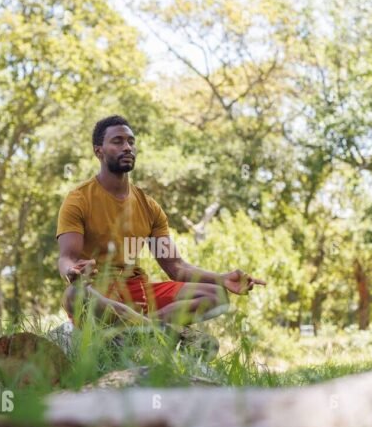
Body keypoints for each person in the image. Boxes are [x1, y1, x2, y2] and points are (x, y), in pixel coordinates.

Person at [56, 115, 266, 328]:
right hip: (98, 294)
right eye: (118, 141)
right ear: (98, 151)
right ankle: (144, 328)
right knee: (74, 294)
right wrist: (72, 272)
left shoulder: (149, 207)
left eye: (131, 141)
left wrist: (223, 278)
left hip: (138, 293)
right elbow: (67, 258)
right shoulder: (78, 200)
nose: (127, 147)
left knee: (216, 296)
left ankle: (141, 328)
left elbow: (176, 267)